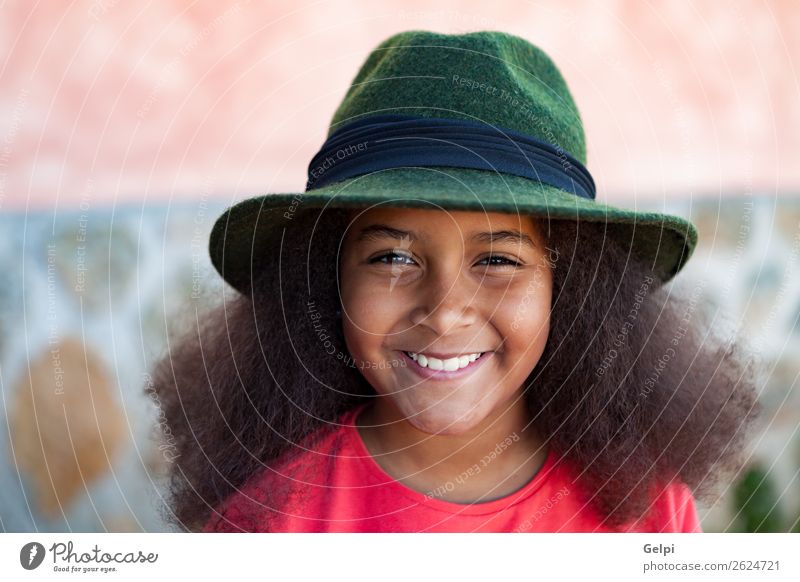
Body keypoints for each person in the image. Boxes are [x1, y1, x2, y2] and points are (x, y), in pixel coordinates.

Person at [148, 30, 760, 533]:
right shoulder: (268, 518)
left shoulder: (643, 512)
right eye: (391, 258)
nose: (444, 314)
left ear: (568, 291)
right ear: (326, 282)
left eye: (497, 261)